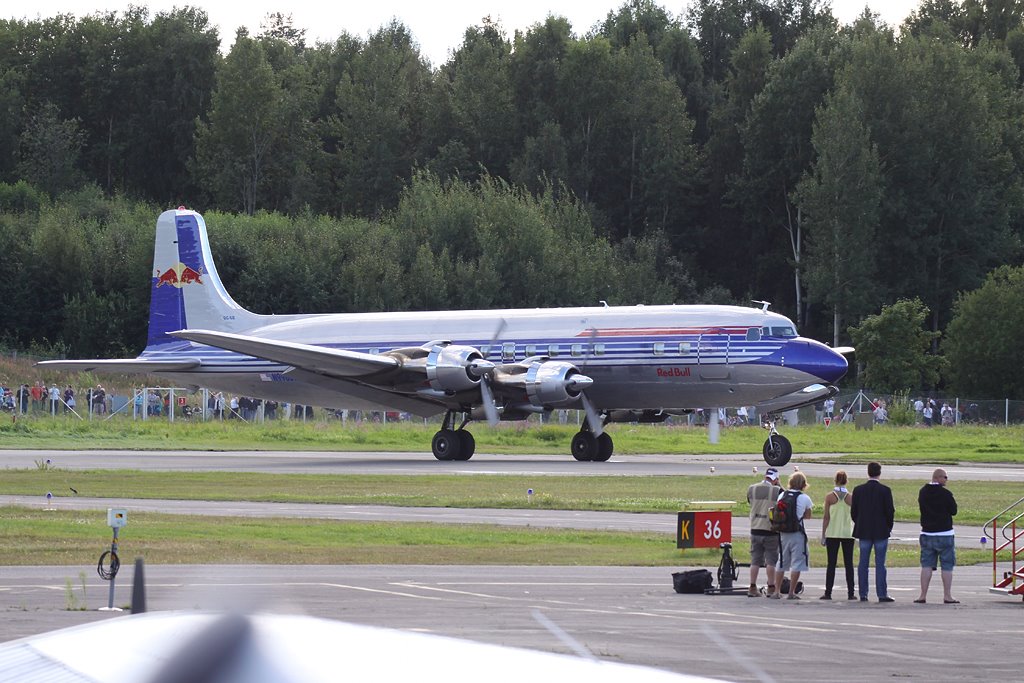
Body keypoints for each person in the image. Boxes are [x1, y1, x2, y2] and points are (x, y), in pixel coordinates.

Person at [851, 462, 896, 602]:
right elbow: (890, 511)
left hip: (863, 530)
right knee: (880, 564)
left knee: (863, 563)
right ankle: (882, 593)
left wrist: (859, 523)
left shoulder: (858, 490)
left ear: (868, 472)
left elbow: (854, 512)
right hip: (881, 530)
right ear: (879, 473)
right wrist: (888, 527)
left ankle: (863, 594)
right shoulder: (885, 490)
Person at [915, 468, 958, 604]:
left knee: (926, 565)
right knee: (947, 566)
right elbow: (954, 511)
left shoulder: (923, 492)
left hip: (927, 532)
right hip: (945, 533)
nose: (946, 480)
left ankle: (923, 595)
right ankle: (947, 595)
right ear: (938, 478)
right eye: (945, 477)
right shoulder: (945, 494)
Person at [770, 472, 812, 600]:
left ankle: (776, 591)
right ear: (803, 484)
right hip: (797, 533)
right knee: (797, 563)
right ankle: (791, 592)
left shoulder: (782, 495)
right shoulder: (805, 498)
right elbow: (808, 516)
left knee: (782, 561)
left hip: (783, 532)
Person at [747, 467, 783, 597]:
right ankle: (771, 587)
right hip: (770, 530)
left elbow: (749, 501)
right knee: (771, 561)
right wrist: (779, 485)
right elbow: (783, 500)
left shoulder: (752, 488)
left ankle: (752, 587)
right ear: (776, 479)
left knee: (755, 560)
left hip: (755, 528)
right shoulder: (777, 490)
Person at [820, 470, 856, 600]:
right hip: (847, 533)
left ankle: (828, 592)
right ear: (846, 481)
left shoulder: (830, 497)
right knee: (849, 564)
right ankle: (851, 593)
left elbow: (826, 517)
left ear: (835, 480)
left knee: (831, 564)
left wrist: (823, 534)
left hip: (833, 532)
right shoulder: (851, 497)